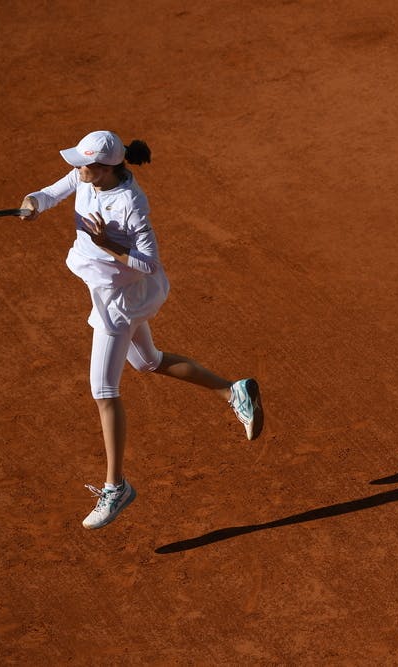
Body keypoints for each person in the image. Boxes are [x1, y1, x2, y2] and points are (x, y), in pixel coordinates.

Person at [18, 130, 263, 530]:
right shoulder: (84, 177)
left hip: (122, 300)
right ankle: (231, 390)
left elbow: (148, 263)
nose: (76, 168)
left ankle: (116, 486)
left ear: (106, 167)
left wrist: (105, 243)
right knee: (149, 362)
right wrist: (32, 204)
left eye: (84, 163)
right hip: (105, 290)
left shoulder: (132, 204)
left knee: (103, 391)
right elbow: (50, 192)